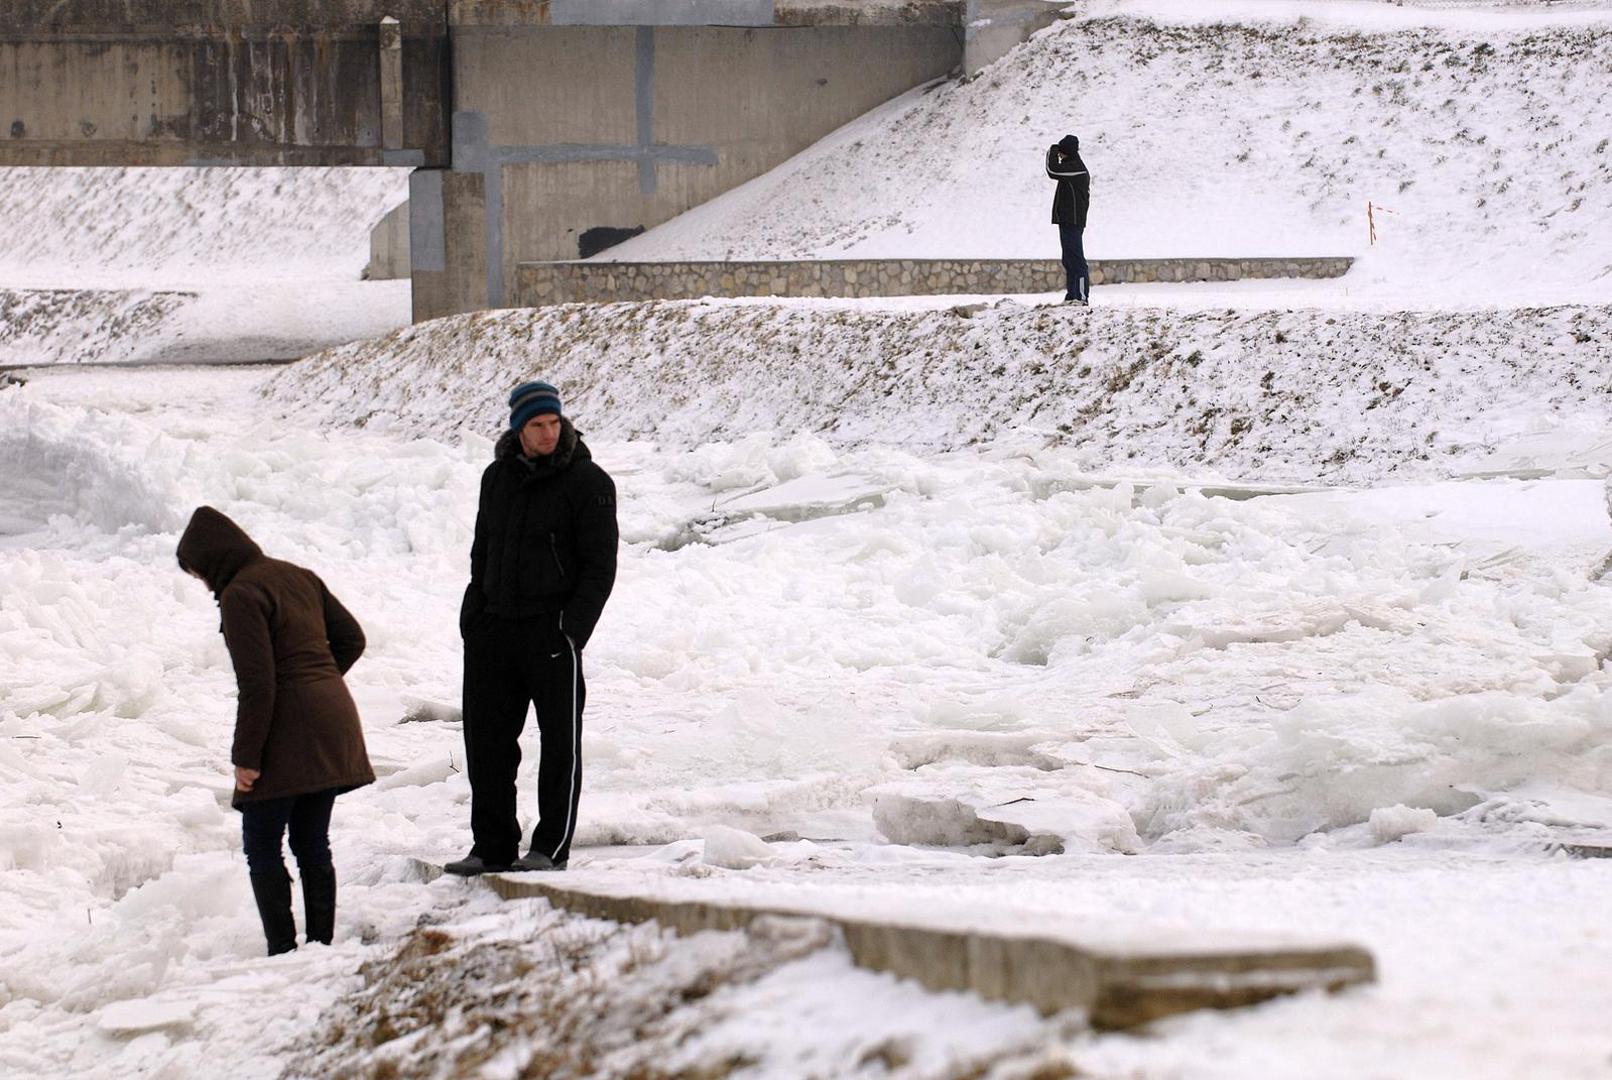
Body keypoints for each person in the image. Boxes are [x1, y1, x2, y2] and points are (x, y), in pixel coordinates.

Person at [177, 506, 374, 956]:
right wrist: (320, 681)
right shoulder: (297, 575)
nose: (205, 585)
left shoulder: (241, 594)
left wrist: (246, 757)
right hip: (334, 717)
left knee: (262, 842)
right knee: (312, 840)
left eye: (200, 575)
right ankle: (321, 945)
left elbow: (259, 684)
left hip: (287, 727)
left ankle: (283, 950)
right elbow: (353, 639)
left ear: (212, 561)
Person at [446, 380, 618, 876]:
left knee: (559, 746)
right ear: (518, 428)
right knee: (488, 745)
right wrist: (473, 615)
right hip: (493, 630)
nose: (547, 433)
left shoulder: (589, 483)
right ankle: (492, 846)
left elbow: (599, 568)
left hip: (551, 632)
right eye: (537, 425)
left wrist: (571, 630)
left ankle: (550, 848)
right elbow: (482, 552)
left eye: (553, 423)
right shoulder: (496, 478)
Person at [1046, 133, 1091, 305]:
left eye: (1061, 153)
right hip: (1067, 219)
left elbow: (1052, 170)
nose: (1059, 156)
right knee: (1069, 259)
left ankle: (1081, 296)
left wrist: (1052, 150)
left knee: (1077, 259)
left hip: (1073, 220)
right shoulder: (1071, 167)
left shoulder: (1076, 168)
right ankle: (1072, 295)